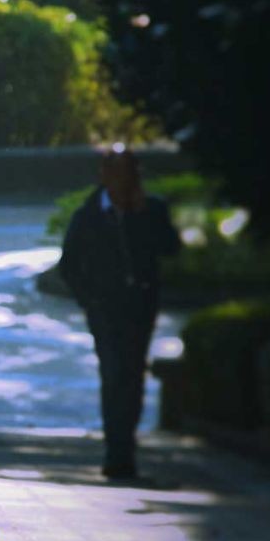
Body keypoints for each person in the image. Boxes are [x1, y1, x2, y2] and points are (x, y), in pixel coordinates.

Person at [58, 147, 182, 480]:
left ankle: (124, 449)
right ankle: (117, 452)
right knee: (114, 374)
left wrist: (143, 216)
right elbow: (68, 264)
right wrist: (90, 300)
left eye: (129, 174)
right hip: (105, 310)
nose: (122, 182)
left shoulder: (151, 209)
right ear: (104, 175)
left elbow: (171, 247)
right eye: (116, 173)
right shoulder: (89, 214)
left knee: (132, 376)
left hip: (140, 307)